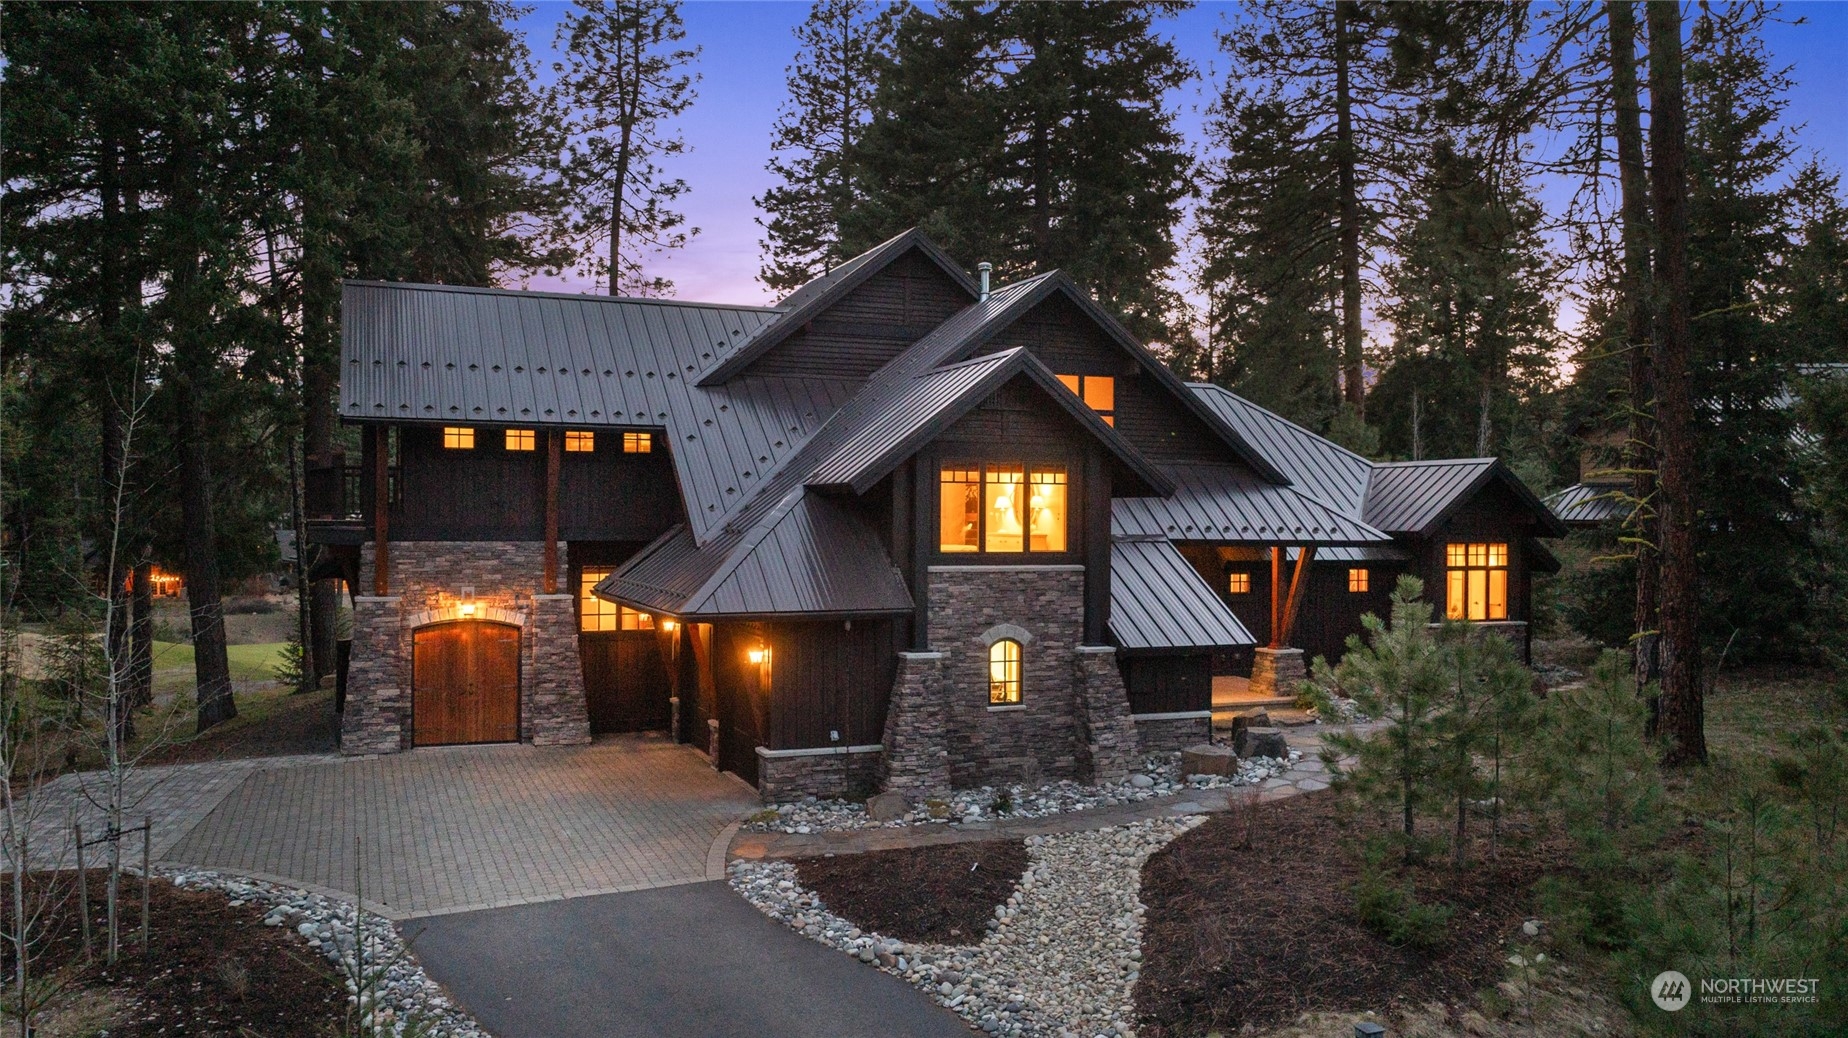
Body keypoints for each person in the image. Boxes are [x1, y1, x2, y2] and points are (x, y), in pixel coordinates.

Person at [334, 587, 354, 712]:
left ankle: (340, 705)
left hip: (343, 641)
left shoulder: (344, 606)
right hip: (346, 642)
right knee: (343, 674)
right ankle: (341, 705)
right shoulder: (347, 605)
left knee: (342, 675)